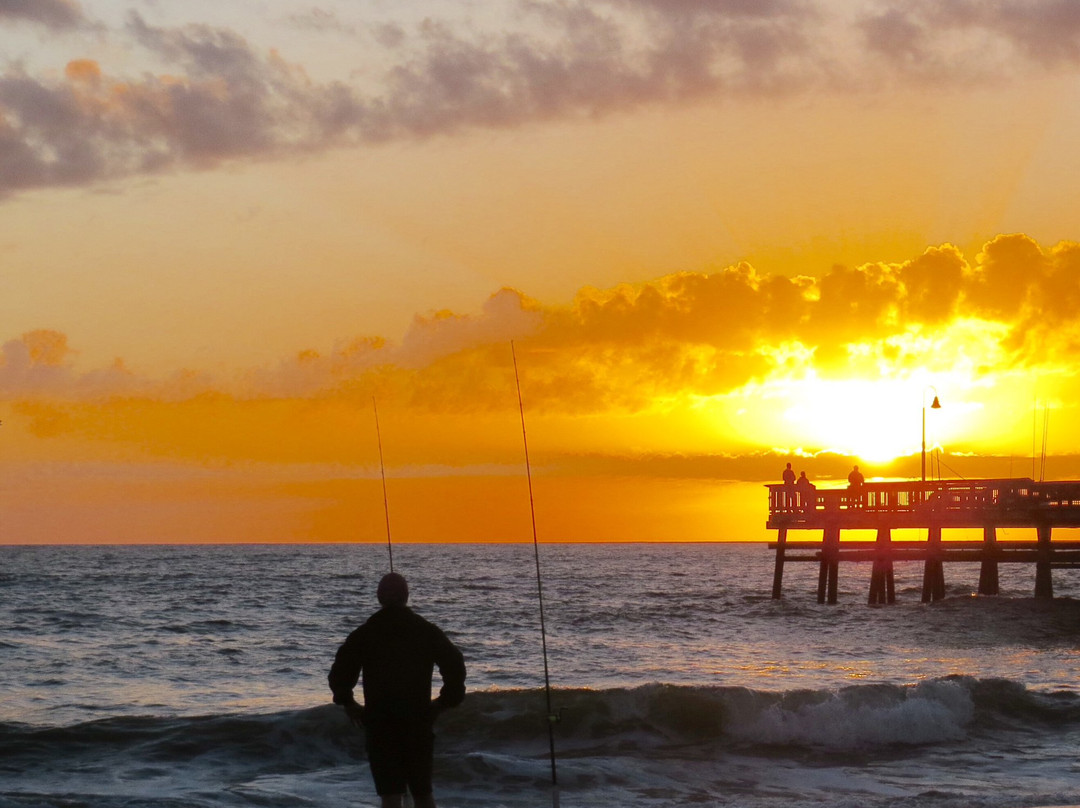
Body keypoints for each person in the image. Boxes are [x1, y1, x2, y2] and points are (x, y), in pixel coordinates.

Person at [329, 573, 466, 808]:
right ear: (407, 596)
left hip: (380, 722)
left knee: (390, 795)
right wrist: (443, 703)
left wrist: (348, 702)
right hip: (418, 720)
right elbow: (455, 667)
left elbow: (340, 672)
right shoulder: (426, 630)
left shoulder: (366, 633)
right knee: (423, 793)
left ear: (379, 597)